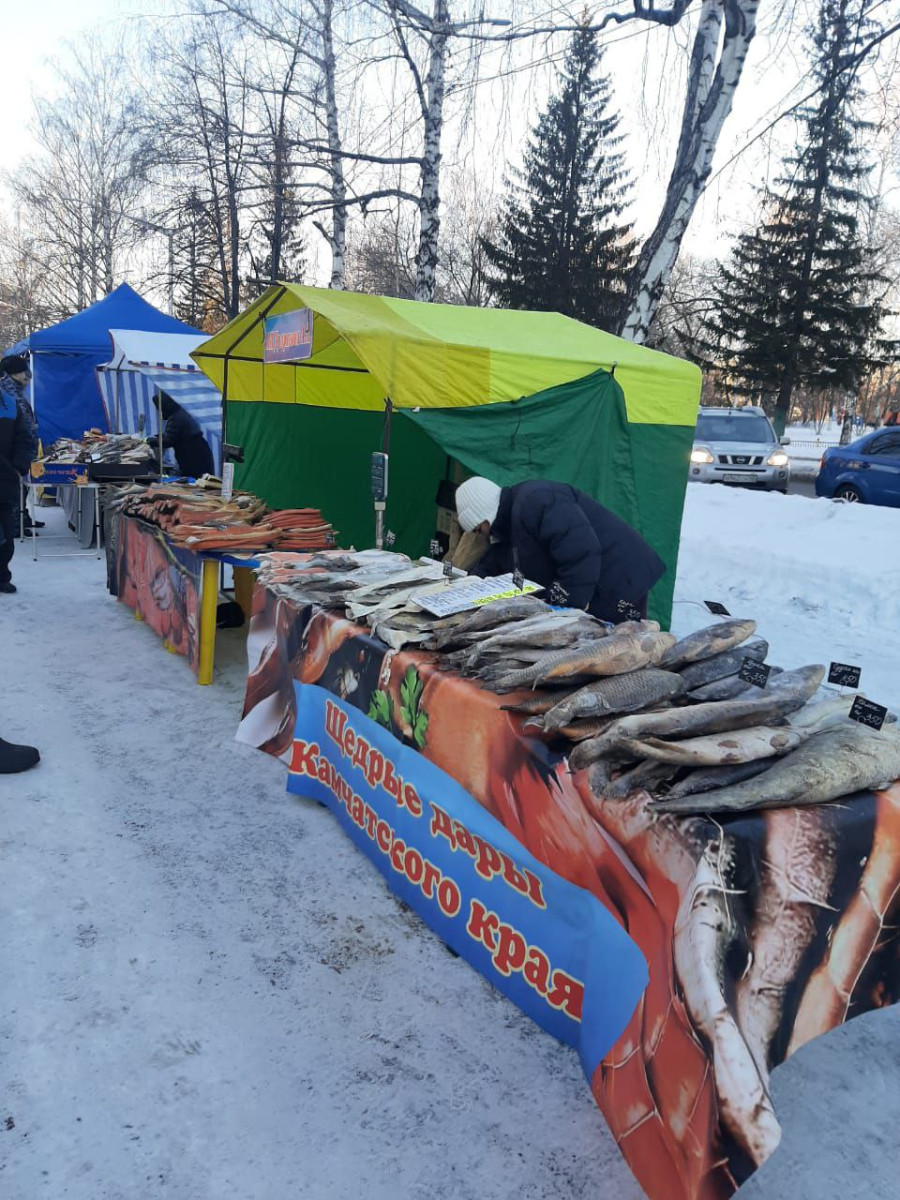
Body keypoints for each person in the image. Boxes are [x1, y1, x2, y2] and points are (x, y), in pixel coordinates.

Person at [454, 476, 666, 625]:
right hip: (595, 583)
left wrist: (567, 608)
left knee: (617, 653)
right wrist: (469, 586)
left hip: (620, 580)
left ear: (485, 517)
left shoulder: (536, 501)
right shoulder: (508, 524)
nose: (479, 535)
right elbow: (496, 561)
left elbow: (581, 552)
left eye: (477, 529)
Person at [0, 362, 34, 594]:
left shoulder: (10, 404)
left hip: (4, 479)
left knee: (5, 533)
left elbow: (23, 438)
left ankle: (2, 576)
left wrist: (19, 468)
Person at [0, 354, 43, 533]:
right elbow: (20, 426)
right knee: (14, 489)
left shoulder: (15, 392)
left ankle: (21, 517)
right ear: (16, 374)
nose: (28, 378)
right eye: (25, 373)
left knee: (21, 488)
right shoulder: (9, 394)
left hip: (20, 451)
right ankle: (16, 521)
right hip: (11, 455)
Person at [152, 392, 214, 478]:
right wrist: (160, 437)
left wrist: (150, 441)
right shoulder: (180, 413)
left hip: (193, 456)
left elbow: (168, 441)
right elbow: (176, 435)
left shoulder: (176, 418)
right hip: (197, 452)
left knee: (197, 481)